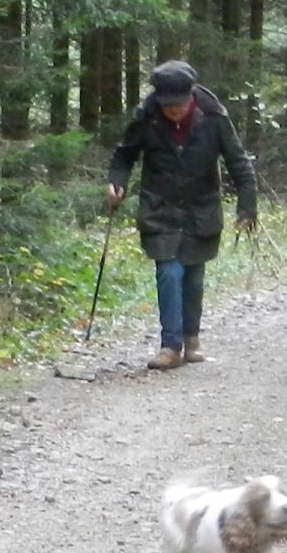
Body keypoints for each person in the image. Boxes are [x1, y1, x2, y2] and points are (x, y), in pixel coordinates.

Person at [106, 59, 258, 371]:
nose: (172, 109)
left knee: (193, 277)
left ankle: (192, 338)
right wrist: (116, 183)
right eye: (167, 104)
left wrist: (247, 206)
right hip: (159, 207)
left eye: (178, 103)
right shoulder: (146, 116)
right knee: (169, 271)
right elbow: (124, 154)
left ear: (191, 96)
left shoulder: (214, 116)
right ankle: (170, 345)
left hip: (201, 208)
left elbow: (238, 161)